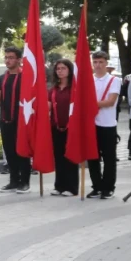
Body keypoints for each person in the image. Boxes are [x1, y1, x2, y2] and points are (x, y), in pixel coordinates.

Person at [0, 47, 31, 193]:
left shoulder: (26, 76)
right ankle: (13, 181)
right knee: (9, 151)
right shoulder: (2, 78)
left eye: (11, 57)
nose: (8, 60)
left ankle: (25, 182)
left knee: (22, 151)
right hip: (5, 119)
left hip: (22, 121)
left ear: (18, 60)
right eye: (6, 57)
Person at [88, 51, 120, 199]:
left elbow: (111, 101)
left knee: (109, 158)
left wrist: (90, 105)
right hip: (91, 123)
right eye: (95, 62)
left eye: (101, 62)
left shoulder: (114, 80)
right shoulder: (89, 80)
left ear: (106, 63)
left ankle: (108, 187)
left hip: (107, 124)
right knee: (92, 157)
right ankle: (97, 186)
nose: (98, 65)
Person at [49, 59, 79, 196]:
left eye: (63, 68)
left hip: (71, 128)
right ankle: (59, 186)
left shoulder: (75, 89)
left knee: (70, 156)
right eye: (58, 68)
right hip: (55, 127)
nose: (60, 71)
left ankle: (72, 187)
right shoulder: (53, 89)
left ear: (69, 70)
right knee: (58, 157)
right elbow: (48, 106)